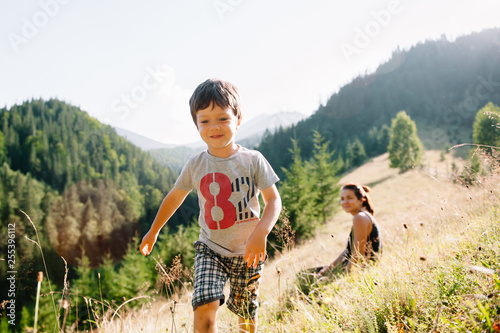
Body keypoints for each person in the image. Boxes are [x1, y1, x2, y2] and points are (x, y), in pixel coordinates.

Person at [140, 78, 282, 333]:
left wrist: (261, 232)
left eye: (223, 119)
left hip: (248, 252)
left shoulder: (253, 160)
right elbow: (174, 197)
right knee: (204, 304)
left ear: (238, 120)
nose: (213, 127)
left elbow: (273, 200)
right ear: (196, 125)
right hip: (210, 249)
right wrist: (154, 230)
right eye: (204, 120)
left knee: (246, 313)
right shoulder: (195, 164)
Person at [317, 184, 381, 277]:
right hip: (355, 268)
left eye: (349, 198)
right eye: (342, 199)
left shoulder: (360, 217)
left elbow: (358, 255)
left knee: (304, 278)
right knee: (310, 274)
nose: (345, 202)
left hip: (363, 272)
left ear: (360, 200)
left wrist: (345, 279)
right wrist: (327, 269)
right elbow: (348, 251)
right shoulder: (362, 216)